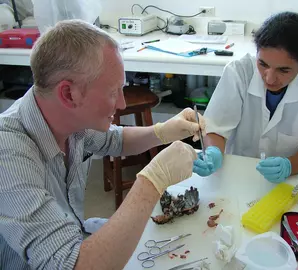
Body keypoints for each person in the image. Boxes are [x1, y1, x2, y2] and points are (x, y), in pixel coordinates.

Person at [0, 20, 206, 269]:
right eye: (113, 92)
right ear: (69, 94)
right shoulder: (8, 155)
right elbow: (72, 265)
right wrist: (152, 181)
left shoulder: (66, 118)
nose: (121, 104)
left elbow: (114, 140)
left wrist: (163, 131)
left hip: (74, 231)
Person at [193, 11, 298, 183]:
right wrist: (213, 152)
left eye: (283, 70)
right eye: (262, 64)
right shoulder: (239, 72)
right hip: (236, 173)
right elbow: (216, 127)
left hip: (285, 180)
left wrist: (289, 165)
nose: (269, 78)